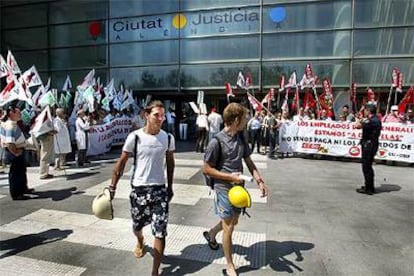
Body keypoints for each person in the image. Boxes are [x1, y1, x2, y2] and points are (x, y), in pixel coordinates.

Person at [108, 101, 175, 276]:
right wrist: (112, 187)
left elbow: (170, 162)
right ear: (146, 115)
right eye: (156, 115)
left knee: (160, 232)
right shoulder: (135, 137)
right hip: (139, 190)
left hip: (159, 190)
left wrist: (170, 186)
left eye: (162, 115)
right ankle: (140, 239)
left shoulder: (167, 137)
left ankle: (155, 271)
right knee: (137, 226)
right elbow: (121, 163)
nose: (161, 119)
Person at [202, 103, 269, 276]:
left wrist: (259, 180)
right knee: (229, 226)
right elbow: (206, 169)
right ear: (237, 119)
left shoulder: (241, 137)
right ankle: (230, 265)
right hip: (223, 187)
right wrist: (230, 177)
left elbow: (248, 160)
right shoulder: (216, 141)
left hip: (238, 187)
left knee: (233, 220)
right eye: (245, 118)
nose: (247, 121)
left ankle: (211, 234)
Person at [0, 104, 33, 200]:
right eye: (18, 113)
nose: (20, 115)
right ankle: (17, 194)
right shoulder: (10, 126)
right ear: (11, 113)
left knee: (21, 171)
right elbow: (10, 142)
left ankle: (23, 189)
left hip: (18, 149)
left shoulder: (11, 123)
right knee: (16, 173)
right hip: (14, 151)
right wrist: (15, 152)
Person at [355, 103, 381, 195]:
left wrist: (358, 118)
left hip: (369, 145)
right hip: (369, 144)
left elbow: (357, 125)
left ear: (368, 111)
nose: (364, 112)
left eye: (365, 110)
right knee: (367, 166)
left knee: (366, 166)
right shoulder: (373, 119)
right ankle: (369, 185)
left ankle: (369, 188)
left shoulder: (372, 120)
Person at [37, 108, 57, 179]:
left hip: (48, 137)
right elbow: (43, 129)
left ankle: (46, 172)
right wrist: (50, 131)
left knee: (47, 155)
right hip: (46, 138)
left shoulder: (47, 117)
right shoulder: (43, 118)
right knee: (45, 155)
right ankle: (43, 173)